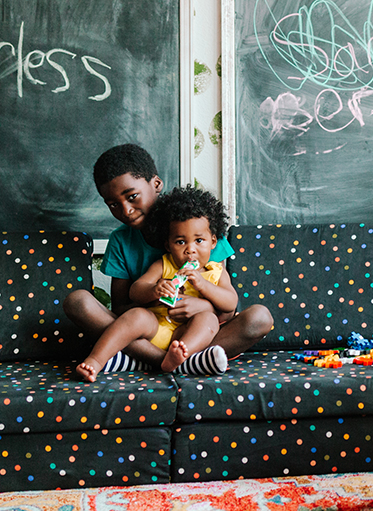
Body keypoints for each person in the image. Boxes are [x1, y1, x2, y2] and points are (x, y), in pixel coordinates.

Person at [64, 143, 272, 376]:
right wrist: (155, 298)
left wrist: (202, 305)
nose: (126, 211)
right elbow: (122, 308)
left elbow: (226, 309)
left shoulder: (201, 227)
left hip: (199, 331)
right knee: (78, 302)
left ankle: (147, 358)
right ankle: (177, 362)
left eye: (132, 197)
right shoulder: (121, 241)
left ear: (156, 184)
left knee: (259, 318)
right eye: (113, 204)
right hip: (150, 328)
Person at [75, 186, 236, 381]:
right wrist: (155, 289)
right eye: (180, 242)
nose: (190, 250)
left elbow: (230, 303)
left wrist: (203, 285)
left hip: (184, 334)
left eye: (199, 240)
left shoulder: (215, 271)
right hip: (156, 328)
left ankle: (181, 356)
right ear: (168, 245)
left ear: (213, 242)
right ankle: (96, 361)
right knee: (137, 315)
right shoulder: (164, 264)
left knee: (208, 320)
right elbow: (135, 291)